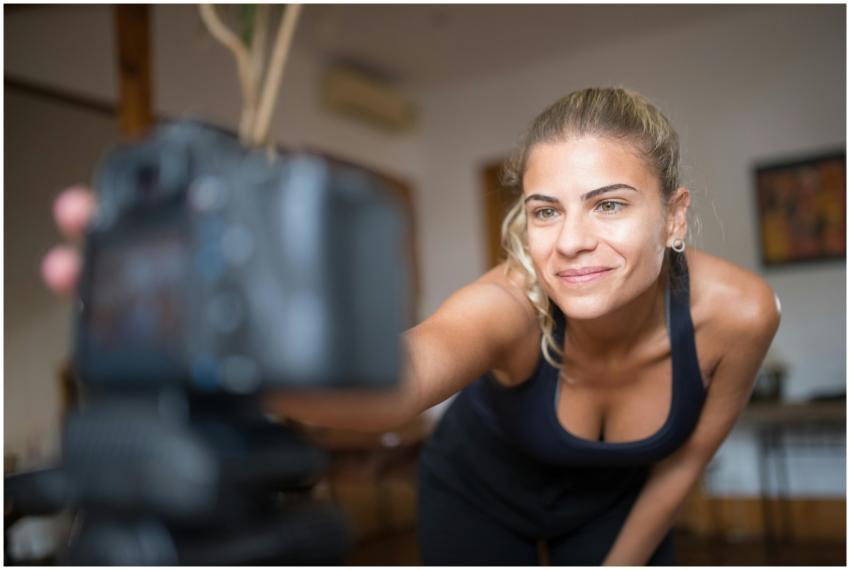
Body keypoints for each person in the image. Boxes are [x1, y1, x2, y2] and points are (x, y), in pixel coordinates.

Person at [43, 87, 780, 565]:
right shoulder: (513, 304)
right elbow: (403, 384)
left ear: (675, 216)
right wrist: (233, 352)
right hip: (477, 491)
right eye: (547, 210)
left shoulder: (740, 314)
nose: (572, 241)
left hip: (616, 503)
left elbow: (682, 462)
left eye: (610, 204)